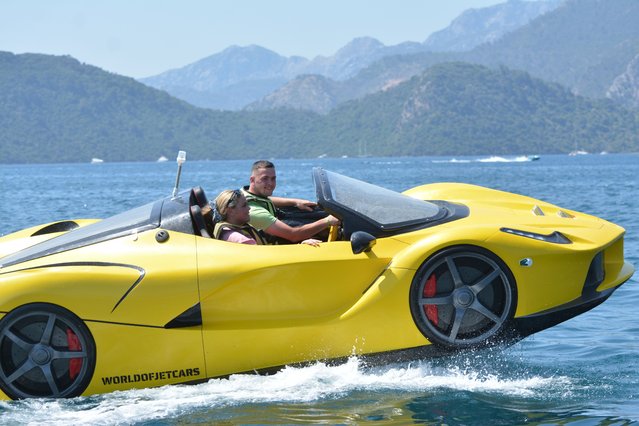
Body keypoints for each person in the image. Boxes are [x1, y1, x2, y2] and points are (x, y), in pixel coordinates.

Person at [241, 160, 340, 244]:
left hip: (278, 227)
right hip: (277, 250)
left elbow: (266, 199)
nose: (270, 183)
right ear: (252, 180)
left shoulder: (245, 195)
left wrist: (295, 202)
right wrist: (327, 221)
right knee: (323, 224)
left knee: (317, 211)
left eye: (273, 178)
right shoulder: (254, 212)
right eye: (265, 179)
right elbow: (293, 235)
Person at [213, 189, 321, 246]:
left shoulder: (233, 227)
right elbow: (267, 259)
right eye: (244, 206)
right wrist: (301, 247)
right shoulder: (241, 240)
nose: (249, 209)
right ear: (230, 210)